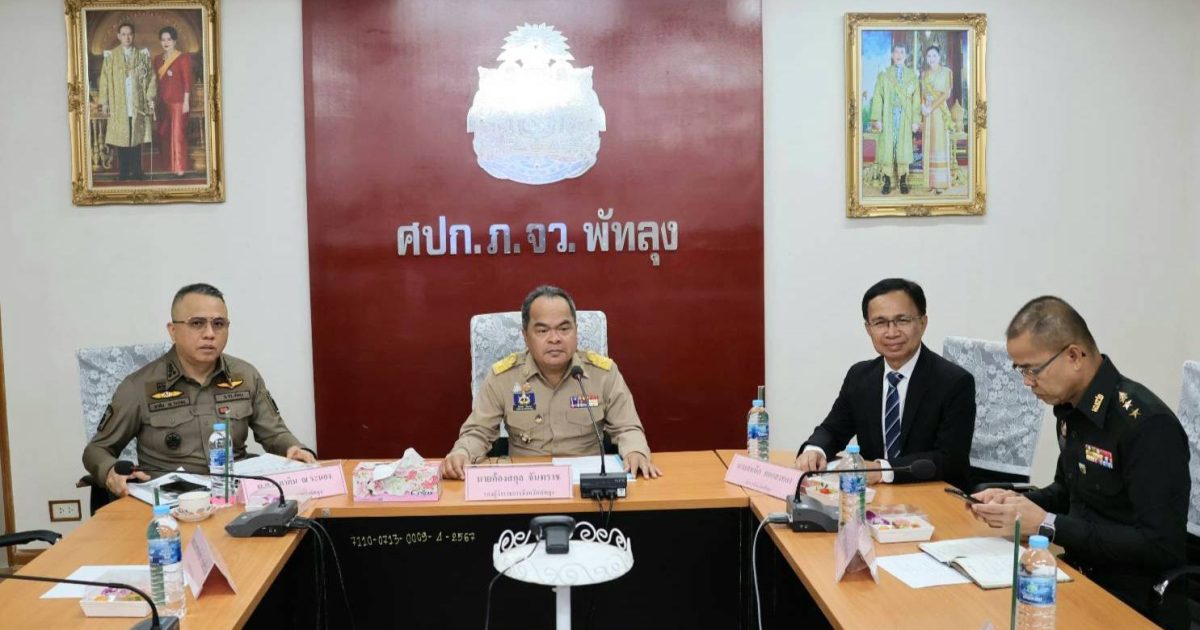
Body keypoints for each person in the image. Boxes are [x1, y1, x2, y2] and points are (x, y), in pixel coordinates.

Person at [970, 297, 1190, 629]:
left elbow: (1160, 546)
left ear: (1073, 356)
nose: (1027, 382)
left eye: (1033, 369)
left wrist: (1047, 524)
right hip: (1075, 577)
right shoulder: (1071, 411)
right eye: (1020, 370)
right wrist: (1015, 503)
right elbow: (1068, 492)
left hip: (1131, 600)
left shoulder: (1145, 425)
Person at [83, 283, 316, 497]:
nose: (209, 334)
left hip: (235, 495)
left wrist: (294, 448)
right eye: (197, 323)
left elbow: (274, 433)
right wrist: (110, 471)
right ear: (173, 330)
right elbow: (97, 449)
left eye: (218, 324)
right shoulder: (139, 386)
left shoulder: (245, 376)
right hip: (170, 502)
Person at [440, 285, 661, 480]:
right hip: (525, 485)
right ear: (525, 336)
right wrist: (462, 453)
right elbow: (478, 432)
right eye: (542, 330)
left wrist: (635, 452)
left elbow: (627, 427)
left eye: (564, 329)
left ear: (576, 331)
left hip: (588, 484)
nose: (555, 338)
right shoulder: (503, 378)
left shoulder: (603, 374)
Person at [794, 278, 975, 489]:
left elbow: (950, 459)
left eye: (902, 320)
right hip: (875, 496)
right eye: (880, 323)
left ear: (923, 323)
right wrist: (815, 450)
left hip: (932, 494)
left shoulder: (954, 382)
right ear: (868, 329)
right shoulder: (860, 376)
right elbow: (832, 430)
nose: (892, 332)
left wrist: (882, 470)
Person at [96, 22, 156, 181]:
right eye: (123, 34)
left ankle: (137, 171)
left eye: (129, 34)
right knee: (121, 138)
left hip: (137, 103)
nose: (127, 37)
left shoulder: (142, 55)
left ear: (133, 35)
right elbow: (104, 80)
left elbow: (151, 77)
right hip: (118, 103)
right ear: (118, 36)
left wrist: (150, 97)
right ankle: (123, 172)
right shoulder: (111, 57)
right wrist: (105, 102)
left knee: (136, 137)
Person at [869, 43, 920, 195]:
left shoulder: (912, 77)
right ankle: (887, 180)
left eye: (902, 52)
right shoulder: (884, 76)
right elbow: (878, 97)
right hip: (888, 118)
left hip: (905, 118)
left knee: (903, 147)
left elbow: (916, 101)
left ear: (906, 56)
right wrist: (877, 119)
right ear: (892, 55)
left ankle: (903, 180)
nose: (899, 55)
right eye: (896, 52)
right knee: (887, 148)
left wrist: (915, 121)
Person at [154, 26, 193, 178]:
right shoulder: (158, 60)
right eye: (163, 39)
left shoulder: (183, 58)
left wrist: (186, 102)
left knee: (177, 135)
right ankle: (170, 165)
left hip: (178, 102)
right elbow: (157, 83)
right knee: (165, 133)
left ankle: (179, 167)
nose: (166, 42)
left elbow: (187, 81)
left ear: (175, 41)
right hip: (163, 103)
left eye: (169, 39)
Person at [920, 45, 953, 194]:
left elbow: (946, 94)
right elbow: (922, 93)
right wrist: (923, 106)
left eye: (934, 55)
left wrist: (931, 107)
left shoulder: (946, 72)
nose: (931, 58)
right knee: (928, 144)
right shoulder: (924, 74)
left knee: (939, 143)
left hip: (939, 112)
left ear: (939, 57)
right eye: (929, 56)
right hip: (927, 113)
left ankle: (940, 183)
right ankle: (929, 182)